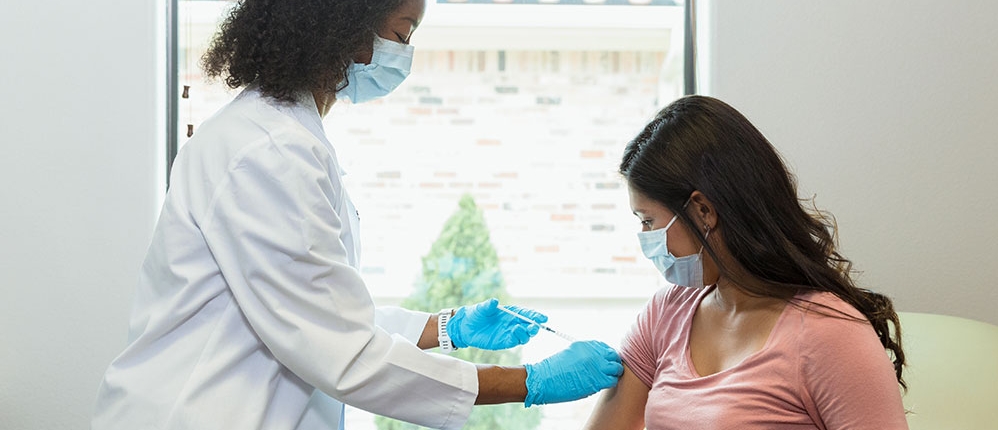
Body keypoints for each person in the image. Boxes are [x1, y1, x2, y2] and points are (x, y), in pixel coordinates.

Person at [91, 1, 622, 429]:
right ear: (341, 25)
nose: (404, 54)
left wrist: (447, 328)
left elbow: (317, 310)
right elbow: (341, 350)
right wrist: (528, 383)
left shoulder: (285, 136)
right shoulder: (270, 151)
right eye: (402, 32)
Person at [584, 95, 908, 430]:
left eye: (648, 221)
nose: (645, 237)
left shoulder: (830, 333)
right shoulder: (667, 313)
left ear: (703, 211)